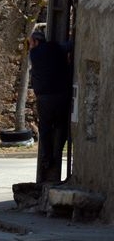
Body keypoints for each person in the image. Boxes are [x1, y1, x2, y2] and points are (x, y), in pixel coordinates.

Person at [28, 30, 72, 183]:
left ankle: (47, 157)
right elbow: (69, 46)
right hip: (62, 95)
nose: (30, 46)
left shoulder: (34, 54)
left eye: (31, 43)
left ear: (36, 42)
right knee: (62, 125)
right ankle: (57, 151)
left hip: (45, 97)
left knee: (45, 128)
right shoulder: (56, 48)